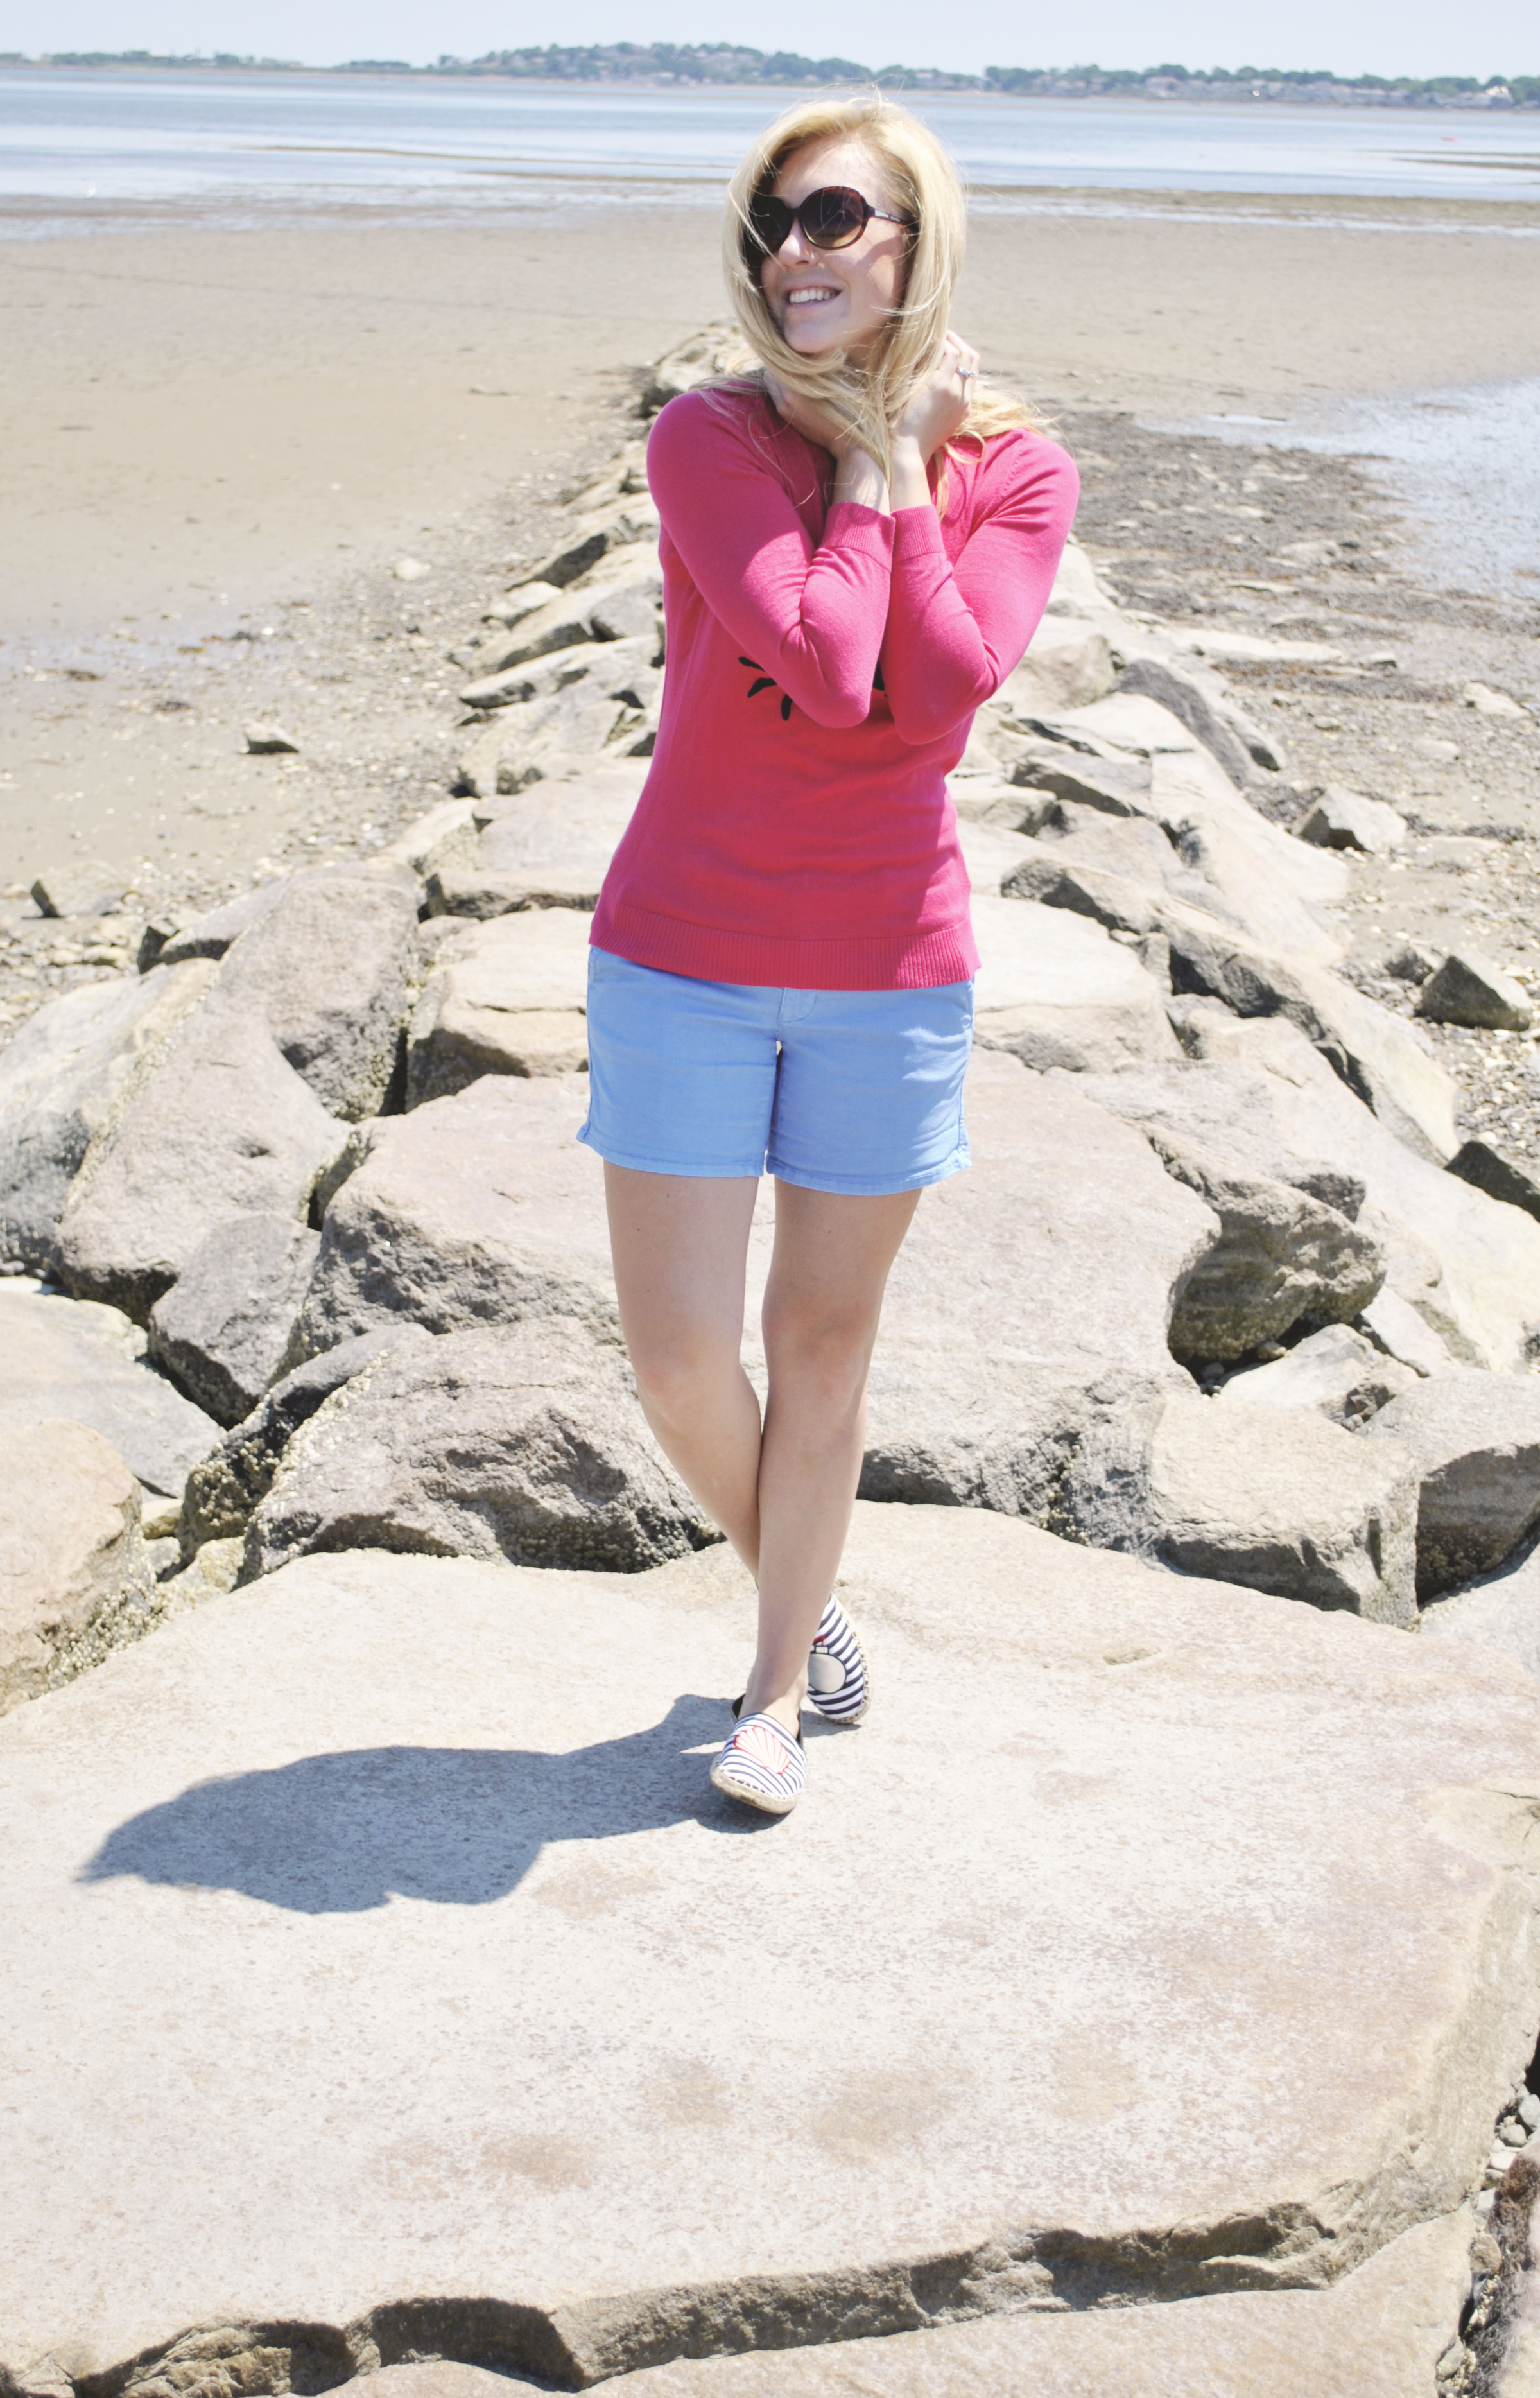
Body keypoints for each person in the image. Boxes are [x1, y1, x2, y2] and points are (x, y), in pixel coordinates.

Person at [578, 92, 1078, 1816]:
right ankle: (812, 1583)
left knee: (822, 1349)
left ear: (911, 238)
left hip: (889, 971)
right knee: (670, 1358)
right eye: (773, 224)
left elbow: (939, 685)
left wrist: (903, 477)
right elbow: (817, 649)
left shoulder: (1016, 465)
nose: (794, 252)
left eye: (833, 217)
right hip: (683, 951)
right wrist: (873, 459)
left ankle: (775, 1691)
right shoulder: (708, 442)